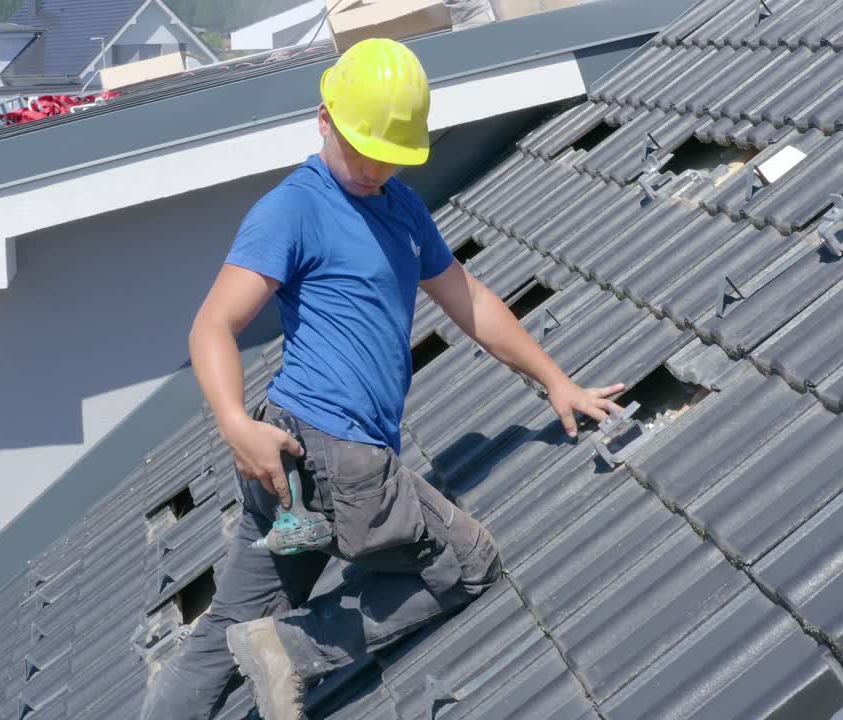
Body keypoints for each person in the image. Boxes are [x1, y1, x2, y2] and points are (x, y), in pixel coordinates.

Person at [141, 38, 624, 720]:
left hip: (301, 478)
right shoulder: (292, 209)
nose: (375, 168)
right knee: (469, 564)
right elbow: (211, 327)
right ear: (324, 120)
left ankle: (263, 644)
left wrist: (555, 381)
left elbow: (468, 299)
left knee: (227, 631)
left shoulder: (401, 209)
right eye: (363, 149)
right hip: (332, 457)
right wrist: (233, 423)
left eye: (389, 154)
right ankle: (290, 648)